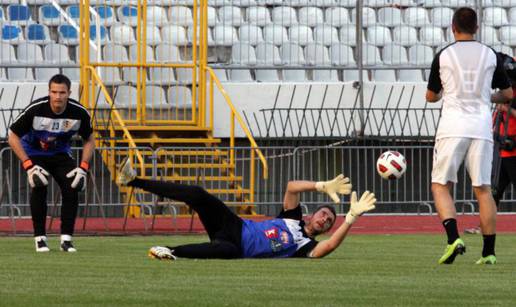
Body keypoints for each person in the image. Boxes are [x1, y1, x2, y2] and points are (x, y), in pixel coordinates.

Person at [116, 157, 376, 259]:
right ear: (311, 214)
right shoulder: (293, 218)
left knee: (221, 252)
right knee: (197, 194)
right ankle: (134, 180)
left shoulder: (304, 246)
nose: (325, 221)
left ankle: (168, 251)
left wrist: (351, 217)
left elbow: (327, 248)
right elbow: (292, 186)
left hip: (238, 248)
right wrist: (321, 185)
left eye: (329, 222)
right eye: (324, 215)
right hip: (235, 225)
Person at [426, 7, 513, 265]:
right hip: (481, 126)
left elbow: (431, 96)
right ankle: (488, 252)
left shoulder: (443, 55)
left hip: (452, 126)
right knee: (483, 189)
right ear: (477, 28)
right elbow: (507, 94)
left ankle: (454, 238)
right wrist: (488, 97)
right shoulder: (490, 54)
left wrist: (443, 94)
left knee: (441, 184)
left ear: (453, 27)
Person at [8, 74, 95, 253]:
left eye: (62, 92)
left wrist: (83, 167)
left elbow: (90, 140)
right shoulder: (35, 109)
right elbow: (13, 136)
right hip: (34, 153)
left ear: (69, 93)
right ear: (49, 92)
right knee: (39, 186)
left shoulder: (79, 112)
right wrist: (28, 166)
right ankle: (40, 239)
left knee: (73, 185)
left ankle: (66, 240)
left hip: (60, 153)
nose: (57, 96)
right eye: (54, 92)